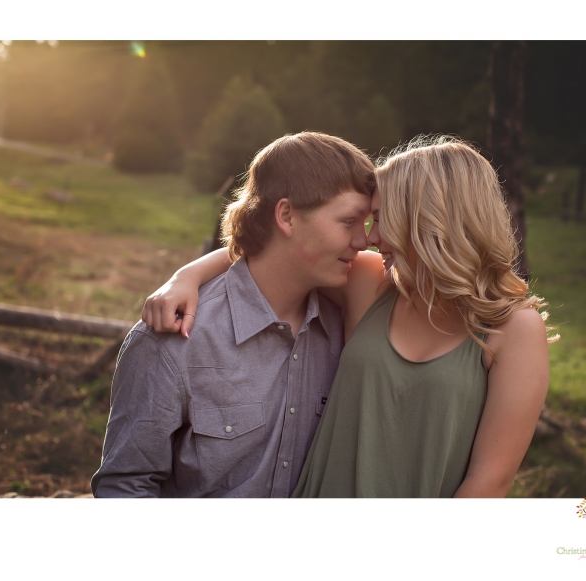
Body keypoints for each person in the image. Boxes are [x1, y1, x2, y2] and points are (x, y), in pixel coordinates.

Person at [142, 135, 555, 497]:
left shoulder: (513, 329)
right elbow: (273, 254)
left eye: (381, 219)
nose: (369, 238)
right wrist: (187, 276)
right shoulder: (372, 283)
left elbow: (490, 483)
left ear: (428, 222)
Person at [91, 132, 375, 497]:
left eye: (366, 224)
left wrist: (187, 272)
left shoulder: (348, 324)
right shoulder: (173, 340)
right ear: (286, 215)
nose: (363, 241)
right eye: (349, 221)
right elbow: (125, 487)